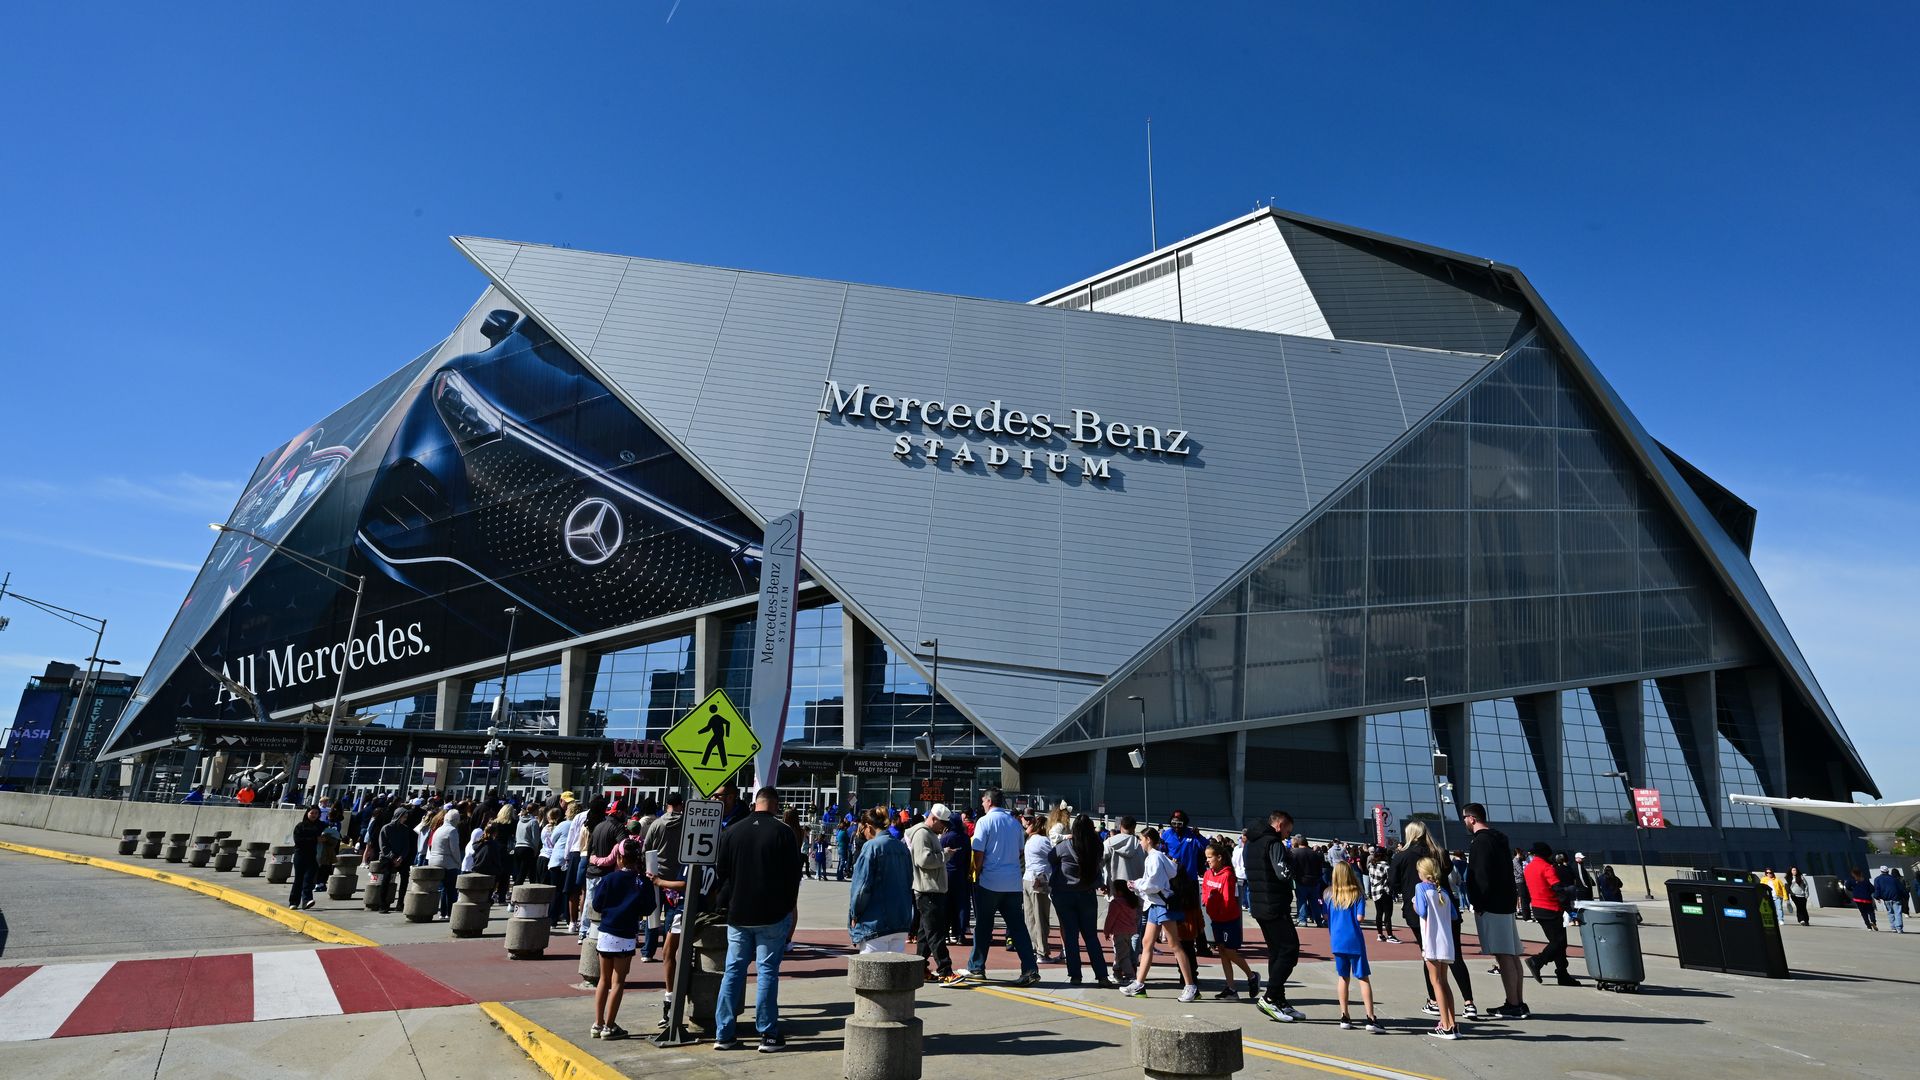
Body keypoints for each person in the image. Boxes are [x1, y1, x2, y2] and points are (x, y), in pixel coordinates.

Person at [711, 787, 804, 1053]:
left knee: (733, 971)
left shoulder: (733, 832)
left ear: (755, 804)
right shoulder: (783, 832)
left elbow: (722, 873)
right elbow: (792, 876)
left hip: (739, 912)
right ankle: (767, 1033)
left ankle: (724, 1033)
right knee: (767, 973)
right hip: (772, 913)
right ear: (775, 805)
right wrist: (787, 907)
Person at [1394, 821, 1478, 1019]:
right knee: (1454, 954)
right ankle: (1469, 1002)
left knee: (1429, 954)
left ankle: (1433, 1000)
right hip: (1444, 905)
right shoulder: (1439, 852)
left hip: (1419, 912)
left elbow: (1393, 883)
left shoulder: (1403, 856)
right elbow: (1447, 872)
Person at [956, 789, 1040, 986]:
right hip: (1012, 882)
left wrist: (977, 871)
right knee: (1018, 927)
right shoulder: (1014, 822)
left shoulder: (984, 822)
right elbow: (1020, 850)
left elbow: (978, 852)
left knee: (984, 926)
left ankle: (977, 967)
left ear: (988, 801)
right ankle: (1030, 968)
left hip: (990, 881)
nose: (982, 804)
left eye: (983, 801)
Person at [1461, 804, 1528, 1018]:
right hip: (1506, 902)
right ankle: (1518, 1001)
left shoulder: (1480, 842)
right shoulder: (1500, 838)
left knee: (1504, 955)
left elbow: (1480, 875)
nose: (1463, 822)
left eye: (1464, 818)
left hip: (1492, 905)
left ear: (1471, 818)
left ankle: (1513, 1004)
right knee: (1512, 954)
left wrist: (1478, 903)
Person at [1121, 826, 1199, 1002]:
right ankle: (1139, 983)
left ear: (1148, 840)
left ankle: (1190, 986)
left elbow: (1154, 885)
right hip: (1157, 905)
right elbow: (1164, 877)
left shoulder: (1154, 858)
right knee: (1147, 943)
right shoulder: (1158, 857)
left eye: (1141, 839)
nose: (1140, 842)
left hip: (1161, 905)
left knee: (1175, 945)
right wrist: (1139, 884)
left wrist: (1136, 885)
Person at [1243, 810, 1306, 1023]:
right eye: (1288, 829)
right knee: (1289, 949)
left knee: (1276, 952)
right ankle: (1270, 997)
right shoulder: (1273, 843)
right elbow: (1283, 874)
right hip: (1274, 904)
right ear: (1279, 825)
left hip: (1260, 904)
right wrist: (1293, 864)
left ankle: (1279, 998)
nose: (1289, 834)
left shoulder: (1251, 842)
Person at [590, 840, 653, 1041]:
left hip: (606, 931)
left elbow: (597, 904)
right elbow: (648, 908)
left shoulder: (609, 879)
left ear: (618, 857)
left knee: (603, 979)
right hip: (626, 934)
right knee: (618, 981)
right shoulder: (642, 881)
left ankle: (598, 1023)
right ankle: (610, 1026)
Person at [1050, 813, 1113, 988]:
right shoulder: (1096, 847)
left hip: (1064, 893)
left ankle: (1075, 975)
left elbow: (1051, 858)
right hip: (1087, 894)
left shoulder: (1064, 846)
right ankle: (1101, 975)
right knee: (1091, 936)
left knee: (1071, 936)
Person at [1325, 860, 1383, 1034]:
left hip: (1337, 940)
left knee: (1343, 977)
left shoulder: (1329, 895)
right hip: (1354, 940)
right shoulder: (1357, 894)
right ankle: (1370, 1017)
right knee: (1363, 978)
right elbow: (1359, 917)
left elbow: (1326, 917)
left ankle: (1345, 1015)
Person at [849, 808, 914, 953]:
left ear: (869, 827)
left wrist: (855, 913)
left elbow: (862, 888)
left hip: (876, 921)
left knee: (870, 972)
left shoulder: (871, 847)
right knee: (895, 972)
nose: (862, 833)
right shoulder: (902, 848)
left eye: (863, 829)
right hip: (900, 920)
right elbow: (910, 881)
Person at [1200, 839, 1257, 999]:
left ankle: (1252, 976)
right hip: (1216, 920)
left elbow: (1227, 899)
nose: (1207, 860)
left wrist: (1218, 909)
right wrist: (1207, 902)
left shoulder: (1228, 875)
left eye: (1210, 857)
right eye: (1206, 857)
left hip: (1228, 920)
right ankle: (1231, 989)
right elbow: (1205, 891)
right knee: (1222, 953)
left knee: (1229, 952)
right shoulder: (1208, 873)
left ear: (1219, 857)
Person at [906, 804, 957, 981]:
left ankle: (919, 968)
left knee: (926, 933)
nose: (944, 826)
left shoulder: (927, 833)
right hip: (928, 889)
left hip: (929, 889)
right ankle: (946, 970)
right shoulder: (922, 834)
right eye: (942, 822)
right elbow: (924, 860)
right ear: (933, 819)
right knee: (935, 932)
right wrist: (945, 854)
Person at [1415, 858, 1460, 1040]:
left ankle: (1446, 1025)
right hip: (1445, 941)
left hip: (1431, 940)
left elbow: (1421, 911)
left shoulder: (1421, 889)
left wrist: (1413, 904)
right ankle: (1452, 1022)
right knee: (1444, 981)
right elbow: (1454, 915)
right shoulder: (1443, 893)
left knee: (1436, 982)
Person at [1521, 840, 1577, 986]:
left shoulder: (1528, 868)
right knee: (1559, 943)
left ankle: (1562, 974)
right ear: (1546, 854)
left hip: (1537, 908)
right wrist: (1569, 909)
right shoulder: (1547, 868)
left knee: (1557, 942)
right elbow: (1558, 889)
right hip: (1551, 908)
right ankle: (1537, 961)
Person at [1162, 810, 1212, 958]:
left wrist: (1198, 835)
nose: (1176, 826)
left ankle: (1201, 945)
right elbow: (1161, 851)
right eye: (1174, 823)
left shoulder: (1192, 835)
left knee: (1194, 912)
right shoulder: (1166, 835)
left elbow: (1206, 847)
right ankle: (1178, 940)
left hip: (1190, 880)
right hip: (1173, 881)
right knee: (1174, 910)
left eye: (1180, 823)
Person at [1102, 816, 1147, 976]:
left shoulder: (1109, 843)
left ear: (1120, 826)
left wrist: (1103, 883)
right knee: (1134, 932)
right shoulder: (1141, 846)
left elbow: (1099, 863)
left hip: (1117, 892)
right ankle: (1131, 963)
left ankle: (1119, 964)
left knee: (1117, 933)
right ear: (1134, 827)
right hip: (1136, 894)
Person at [1022, 814, 1059, 964]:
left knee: (1030, 917)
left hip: (1027, 878)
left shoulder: (1030, 840)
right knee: (1041, 916)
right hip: (1040, 879)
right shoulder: (1044, 841)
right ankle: (1042, 952)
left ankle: (1034, 947)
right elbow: (1055, 856)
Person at [378, 808, 420, 913]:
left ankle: (400, 902)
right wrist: (393, 857)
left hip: (401, 857)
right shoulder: (386, 828)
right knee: (386, 877)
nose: (405, 819)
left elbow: (406, 845)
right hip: (387, 857)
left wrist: (401, 857)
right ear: (398, 816)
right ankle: (383, 903)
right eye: (403, 817)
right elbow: (384, 846)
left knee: (405, 876)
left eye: (406, 817)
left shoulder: (405, 829)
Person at [426, 808, 465, 919]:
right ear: (456, 819)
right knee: (451, 889)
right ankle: (450, 912)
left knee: (443, 889)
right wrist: (458, 862)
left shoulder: (439, 829)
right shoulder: (452, 830)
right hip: (447, 862)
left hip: (435, 860)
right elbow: (454, 850)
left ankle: (443, 913)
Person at [288, 805, 325, 910]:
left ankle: (307, 900)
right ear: (307, 813)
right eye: (312, 813)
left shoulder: (321, 826)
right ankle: (293, 902)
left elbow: (330, 835)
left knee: (309, 879)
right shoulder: (301, 826)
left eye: (316, 813)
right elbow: (298, 841)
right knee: (298, 879)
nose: (314, 815)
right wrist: (315, 839)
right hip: (300, 855)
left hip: (314, 856)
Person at [1368, 849, 1400, 943]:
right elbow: (1391, 879)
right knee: (1388, 913)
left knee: (1379, 913)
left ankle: (1380, 934)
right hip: (1384, 890)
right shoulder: (1385, 866)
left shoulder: (1371, 865)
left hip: (1375, 891)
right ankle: (1390, 935)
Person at [1872, 867, 1906, 933]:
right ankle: (1899, 928)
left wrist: (1877, 897)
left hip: (1886, 898)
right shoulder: (1894, 878)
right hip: (1896, 898)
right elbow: (1901, 888)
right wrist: (1905, 896)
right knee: (1898, 913)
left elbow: (1877, 889)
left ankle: (1893, 928)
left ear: (1881, 871)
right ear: (1887, 871)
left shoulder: (1877, 879)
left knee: (1890, 912)